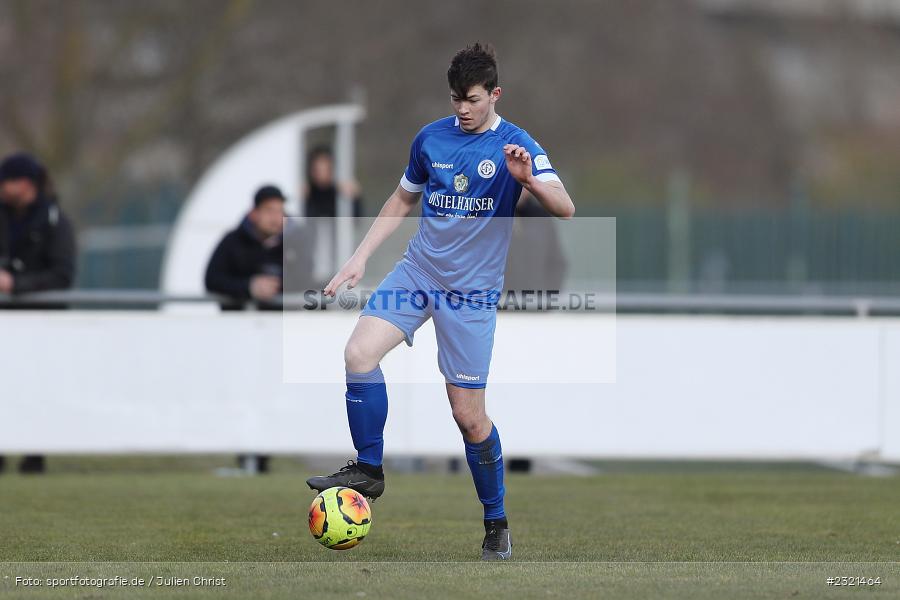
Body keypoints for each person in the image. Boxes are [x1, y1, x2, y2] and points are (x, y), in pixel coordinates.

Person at [305, 43, 575, 561]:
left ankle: (496, 522)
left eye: (472, 99)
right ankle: (369, 469)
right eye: (456, 99)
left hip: (472, 294)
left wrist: (527, 182)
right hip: (419, 272)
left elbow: (565, 207)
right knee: (358, 354)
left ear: (495, 94)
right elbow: (403, 198)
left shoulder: (518, 146)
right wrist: (360, 256)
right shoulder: (431, 138)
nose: (463, 109)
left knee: (468, 417)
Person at [0, 152, 77, 475]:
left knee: (35, 387)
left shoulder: (55, 221)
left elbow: (62, 275)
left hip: (40, 321)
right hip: (4, 319)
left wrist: (15, 284)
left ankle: (35, 453)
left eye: (7, 181)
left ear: (25, 184)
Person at [204, 184, 285, 312]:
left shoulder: (293, 245)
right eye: (269, 210)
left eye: (279, 211)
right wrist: (249, 287)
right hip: (238, 321)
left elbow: (307, 282)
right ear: (254, 213)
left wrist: (277, 287)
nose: (275, 218)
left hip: (280, 322)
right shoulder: (232, 242)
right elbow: (212, 280)